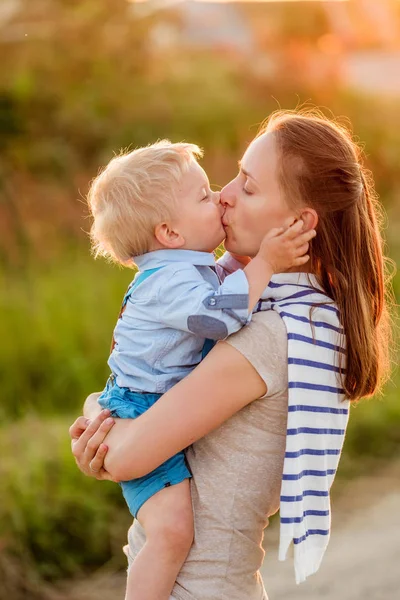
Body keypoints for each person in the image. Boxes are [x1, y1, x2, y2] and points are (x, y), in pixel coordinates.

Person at [70, 110, 392, 600]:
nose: (224, 195)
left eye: (248, 185)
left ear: (298, 223)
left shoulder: (268, 334)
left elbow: (127, 455)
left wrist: (96, 411)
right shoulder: (296, 314)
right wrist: (103, 417)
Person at [86, 139, 313, 600]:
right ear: (169, 232)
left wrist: (251, 261)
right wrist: (265, 262)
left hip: (140, 403)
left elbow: (226, 283)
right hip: (139, 404)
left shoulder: (184, 266)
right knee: (171, 531)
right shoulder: (170, 281)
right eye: (204, 196)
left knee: (166, 529)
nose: (220, 198)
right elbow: (216, 315)